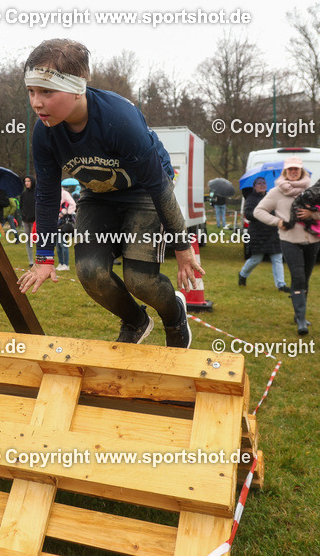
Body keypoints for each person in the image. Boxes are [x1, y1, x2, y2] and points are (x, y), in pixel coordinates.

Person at [16, 39, 203, 348]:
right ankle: (135, 321)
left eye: (47, 92)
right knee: (90, 272)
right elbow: (47, 195)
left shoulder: (119, 119)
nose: (36, 103)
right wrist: (45, 256)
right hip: (99, 195)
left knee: (140, 280)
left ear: (77, 88)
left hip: (144, 191)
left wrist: (182, 248)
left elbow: (159, 186)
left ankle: (174, 317)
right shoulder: (44, 133)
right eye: (31, 92)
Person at [252, 158, 320, 335]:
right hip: (289, 240)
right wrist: (277, 221)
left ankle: (298, 314)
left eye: (296, 169)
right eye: (290, 170)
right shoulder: (276, 192)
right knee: (298, 276)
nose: (293, 172)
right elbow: (258, 211)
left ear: (302, 171)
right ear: (285, 172)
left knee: (305, 277)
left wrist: (313, 213)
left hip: (312, 241)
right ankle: (301, 320)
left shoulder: (313, 190)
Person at [238, 177, 289, 292]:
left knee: (277, 258)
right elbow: (249, 215)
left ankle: (281, 285)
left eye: (264, 183)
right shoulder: (251, 198)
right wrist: (261, 213)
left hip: (272, 231)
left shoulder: (270, 196)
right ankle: (242, 275)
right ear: (254, 186)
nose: (262, 185)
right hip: (258, 233)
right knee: (256, 258)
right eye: (259, 183)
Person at [56, 187, 77, 271]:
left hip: (63, 223)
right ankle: (61, 263)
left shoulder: (64, 193)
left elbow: (73, 204)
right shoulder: (54, 194)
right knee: (58, 245)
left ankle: (66, 264)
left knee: (63, 244)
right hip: (56, 222)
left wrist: (66, 213)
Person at [19, 176, 37, 265]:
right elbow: (21, 206)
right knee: (28, 241)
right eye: (25, 181)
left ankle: (40, 259)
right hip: (26, 221)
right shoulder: (23, 194)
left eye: (28, 181)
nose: (26, 183)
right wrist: (23, 215)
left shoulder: (37, 193)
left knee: (38, 240)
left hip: (35, 221)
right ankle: (31, 261)